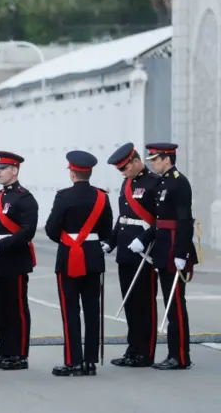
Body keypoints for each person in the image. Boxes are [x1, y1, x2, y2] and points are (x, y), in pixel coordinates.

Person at [129, 143, 197, 370]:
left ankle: (179, 356)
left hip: (174, 249)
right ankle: (173, 353)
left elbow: (185, 220)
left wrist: (181, 253)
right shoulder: (162, 183)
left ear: (167, 159)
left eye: (155, 159)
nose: (151, 163)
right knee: (170, 301)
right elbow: (160, 221)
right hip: (162, 247)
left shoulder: (179, 182)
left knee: (175, 305)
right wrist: (145, 238)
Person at [44, 150, 113, 377]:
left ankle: (73, 361)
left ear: (72, 173)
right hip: (93, 255)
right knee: (93, 310)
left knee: (70, 310)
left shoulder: (63, 197)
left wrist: (69, 242)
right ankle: (90, 362)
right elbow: (106, 229)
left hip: (69, 256)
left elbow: (52, 228)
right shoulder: (102, 197)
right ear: (89, 173)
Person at [104, 143, 160, 367]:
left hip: (144, 252)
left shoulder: (155, 183)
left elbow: (160, 219)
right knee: (130, 303)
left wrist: (145, 240)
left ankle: (146, 352)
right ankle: (133, 348)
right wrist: (111, 241)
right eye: (120, 170)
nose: (122, 173)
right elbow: (123, 218)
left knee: (144, 303)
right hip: (127, 252)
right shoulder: (126, 184)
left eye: (124, 168)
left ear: (136, 162)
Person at [0, 151, 38, 371]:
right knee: (2, 308)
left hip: (15, 259)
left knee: (17, 308)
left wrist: (3, 244)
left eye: (3, 169)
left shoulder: (24, 197)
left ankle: (20, 354)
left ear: (14, 170)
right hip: (0, 260)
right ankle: (5, 352)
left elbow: (28, 231)